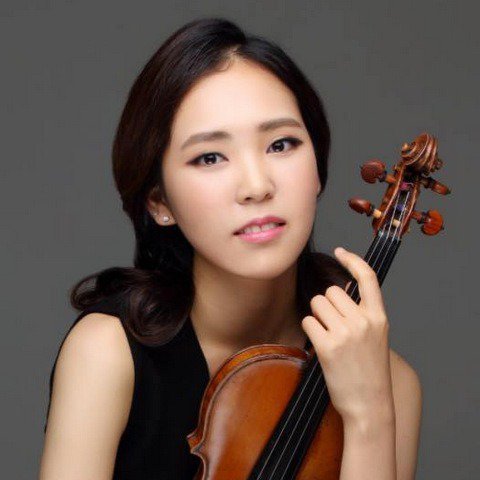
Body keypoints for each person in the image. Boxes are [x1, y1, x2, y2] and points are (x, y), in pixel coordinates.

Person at [39, 17, 422, 480]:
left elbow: (374, 409)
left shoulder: (390, 382)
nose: (256, 186)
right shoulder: (106, 354)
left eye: (281, 144)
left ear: (317, 169)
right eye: (210, 157)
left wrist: (369, 415)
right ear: (159, 201)